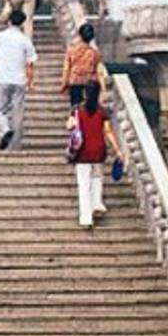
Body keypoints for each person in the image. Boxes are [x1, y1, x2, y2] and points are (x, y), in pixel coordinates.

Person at [68, 82, 125, 229]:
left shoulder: (77, 109)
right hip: (98, 150)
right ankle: (96, 203)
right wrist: (118, 150)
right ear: (98, 93)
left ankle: (86, 218)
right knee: (97, 177)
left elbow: (69, 125)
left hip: (82, 151)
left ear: (85, 93)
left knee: (83, 184)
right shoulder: (102, 112)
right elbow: (108, 132)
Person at [0, 9, 37, 151]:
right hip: (19, 80)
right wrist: (31, 82)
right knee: (18, 112)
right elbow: (30, 64)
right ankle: (16, 145)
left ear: (9, 21)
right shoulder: (25, 40)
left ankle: (5, 130)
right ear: (23, 22)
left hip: (1, 78)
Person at [60, 22, 107, 108]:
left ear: (80, 35)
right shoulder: (95, 53)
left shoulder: (71, 51)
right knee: (90, 108)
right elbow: (100, 72)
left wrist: (64, 83)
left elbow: (66, 69)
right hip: (91, 85)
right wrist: (103, 89)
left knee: (76, 109)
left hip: (75, 82)